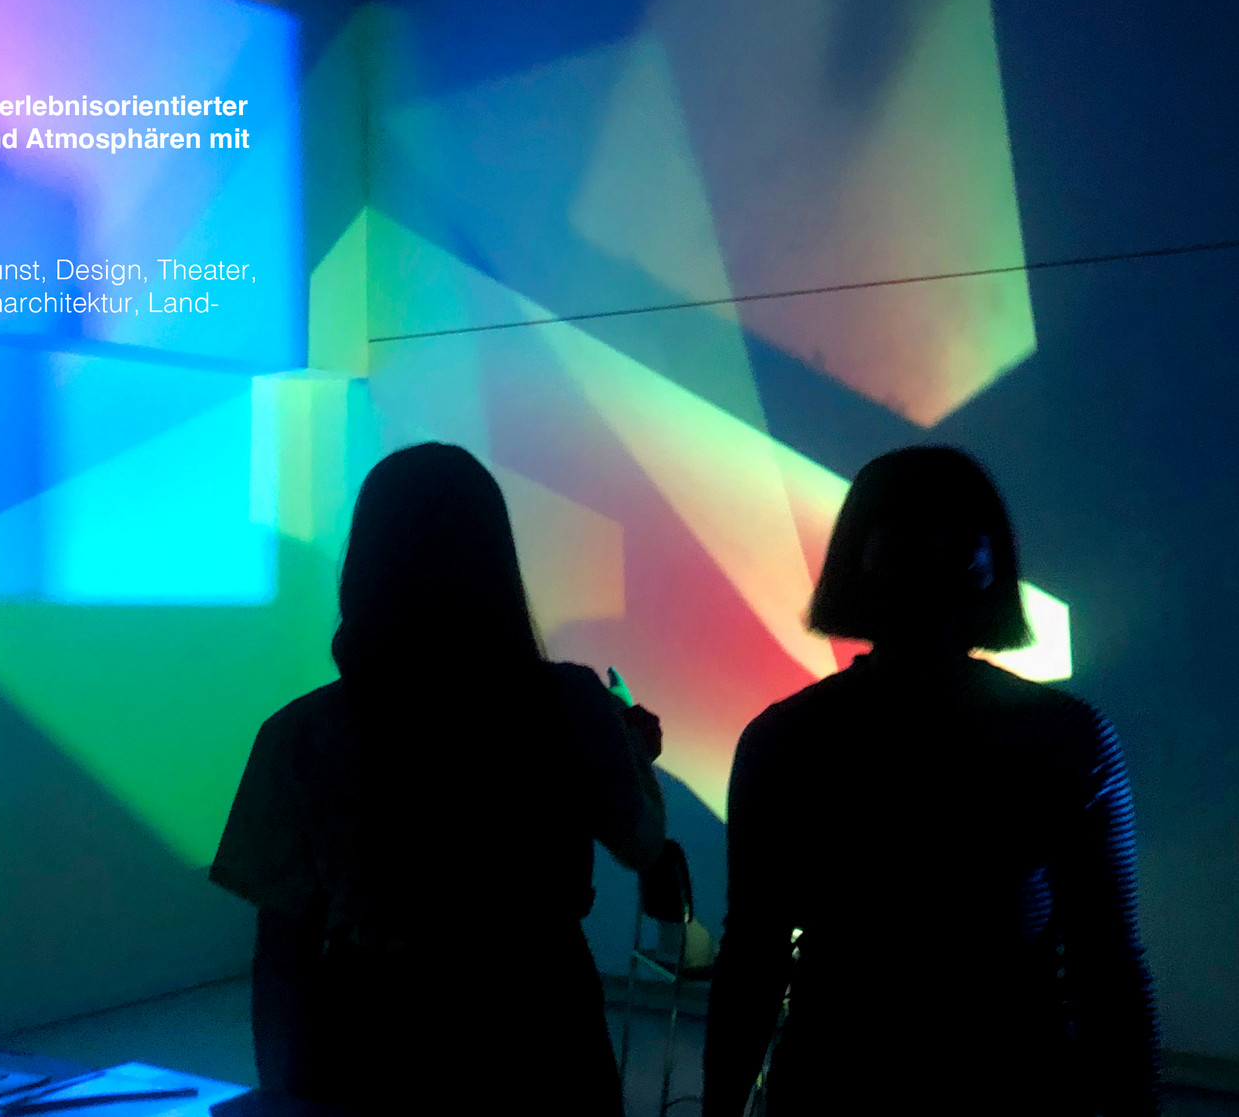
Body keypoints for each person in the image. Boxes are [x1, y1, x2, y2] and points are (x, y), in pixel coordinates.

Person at [702, 447, 1160, 1117]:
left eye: (948, 540)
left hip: (839, 1084)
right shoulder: (1064, 735)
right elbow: (1106, 966)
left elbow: (754, 954)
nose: (929, 561)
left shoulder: (786, 738)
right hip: (1005, 1086)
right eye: (910, 539)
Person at [210, 443, 666, 1115]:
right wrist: (634, 755)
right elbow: (642, 842)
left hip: (378, 1043)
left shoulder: (300, 734)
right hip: (544, 1031)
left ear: (364, 564)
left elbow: (283, 954)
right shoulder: (571, 705)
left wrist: (285, 1097)